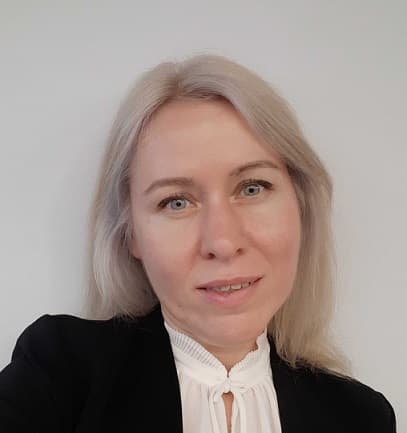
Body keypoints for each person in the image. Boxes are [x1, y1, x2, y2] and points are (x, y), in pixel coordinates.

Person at [0, 54, 397, 433]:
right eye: (176, 202)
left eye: (252, 187)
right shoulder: (59, 372)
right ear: (131, 233)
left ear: (301, 206)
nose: (222, 242)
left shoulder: (361, 418)